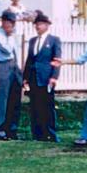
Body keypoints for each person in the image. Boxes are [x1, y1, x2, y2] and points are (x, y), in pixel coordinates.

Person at [22, 11, 61, 142]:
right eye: (36, 24)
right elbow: (29, 60)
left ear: (46, 25)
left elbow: (57, 60)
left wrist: (54, 76)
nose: (37, 27)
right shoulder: (32, 41)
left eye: (40, 24)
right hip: (34, 77)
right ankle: (37, 133)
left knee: (48, 106)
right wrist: (25, 77)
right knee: (35, 106)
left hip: (46, 77)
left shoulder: (54, 40)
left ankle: (50, 133)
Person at [0, 10, 23, 140]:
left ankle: (12, 128)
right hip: (3, 65)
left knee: (15, 98)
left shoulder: (12, 34)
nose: (11, 25)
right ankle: (1, 129)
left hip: (14, 65)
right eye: (9, 22)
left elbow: (17, 50)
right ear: (3, 22)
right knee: (3, 98)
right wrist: (10, 35)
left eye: (13, 23)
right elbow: (8, 49)